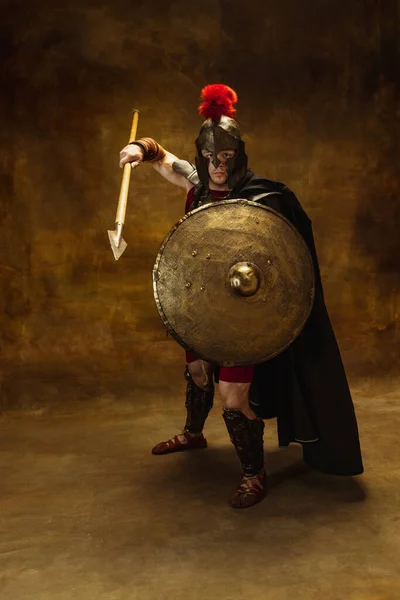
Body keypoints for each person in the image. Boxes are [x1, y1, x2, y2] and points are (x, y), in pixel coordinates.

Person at [119, 84, 363, 509]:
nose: (217, 167)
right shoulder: (196, 186)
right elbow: (165, 159)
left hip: (243, 314)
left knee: (234, 398)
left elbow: (284, 265)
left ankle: (253, 474)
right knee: (197, 373)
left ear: (239, 156)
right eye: (211, 158)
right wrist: (140, 148)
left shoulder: (259, 197)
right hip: (197, 305)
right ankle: (194, 434)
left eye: (226, 158)